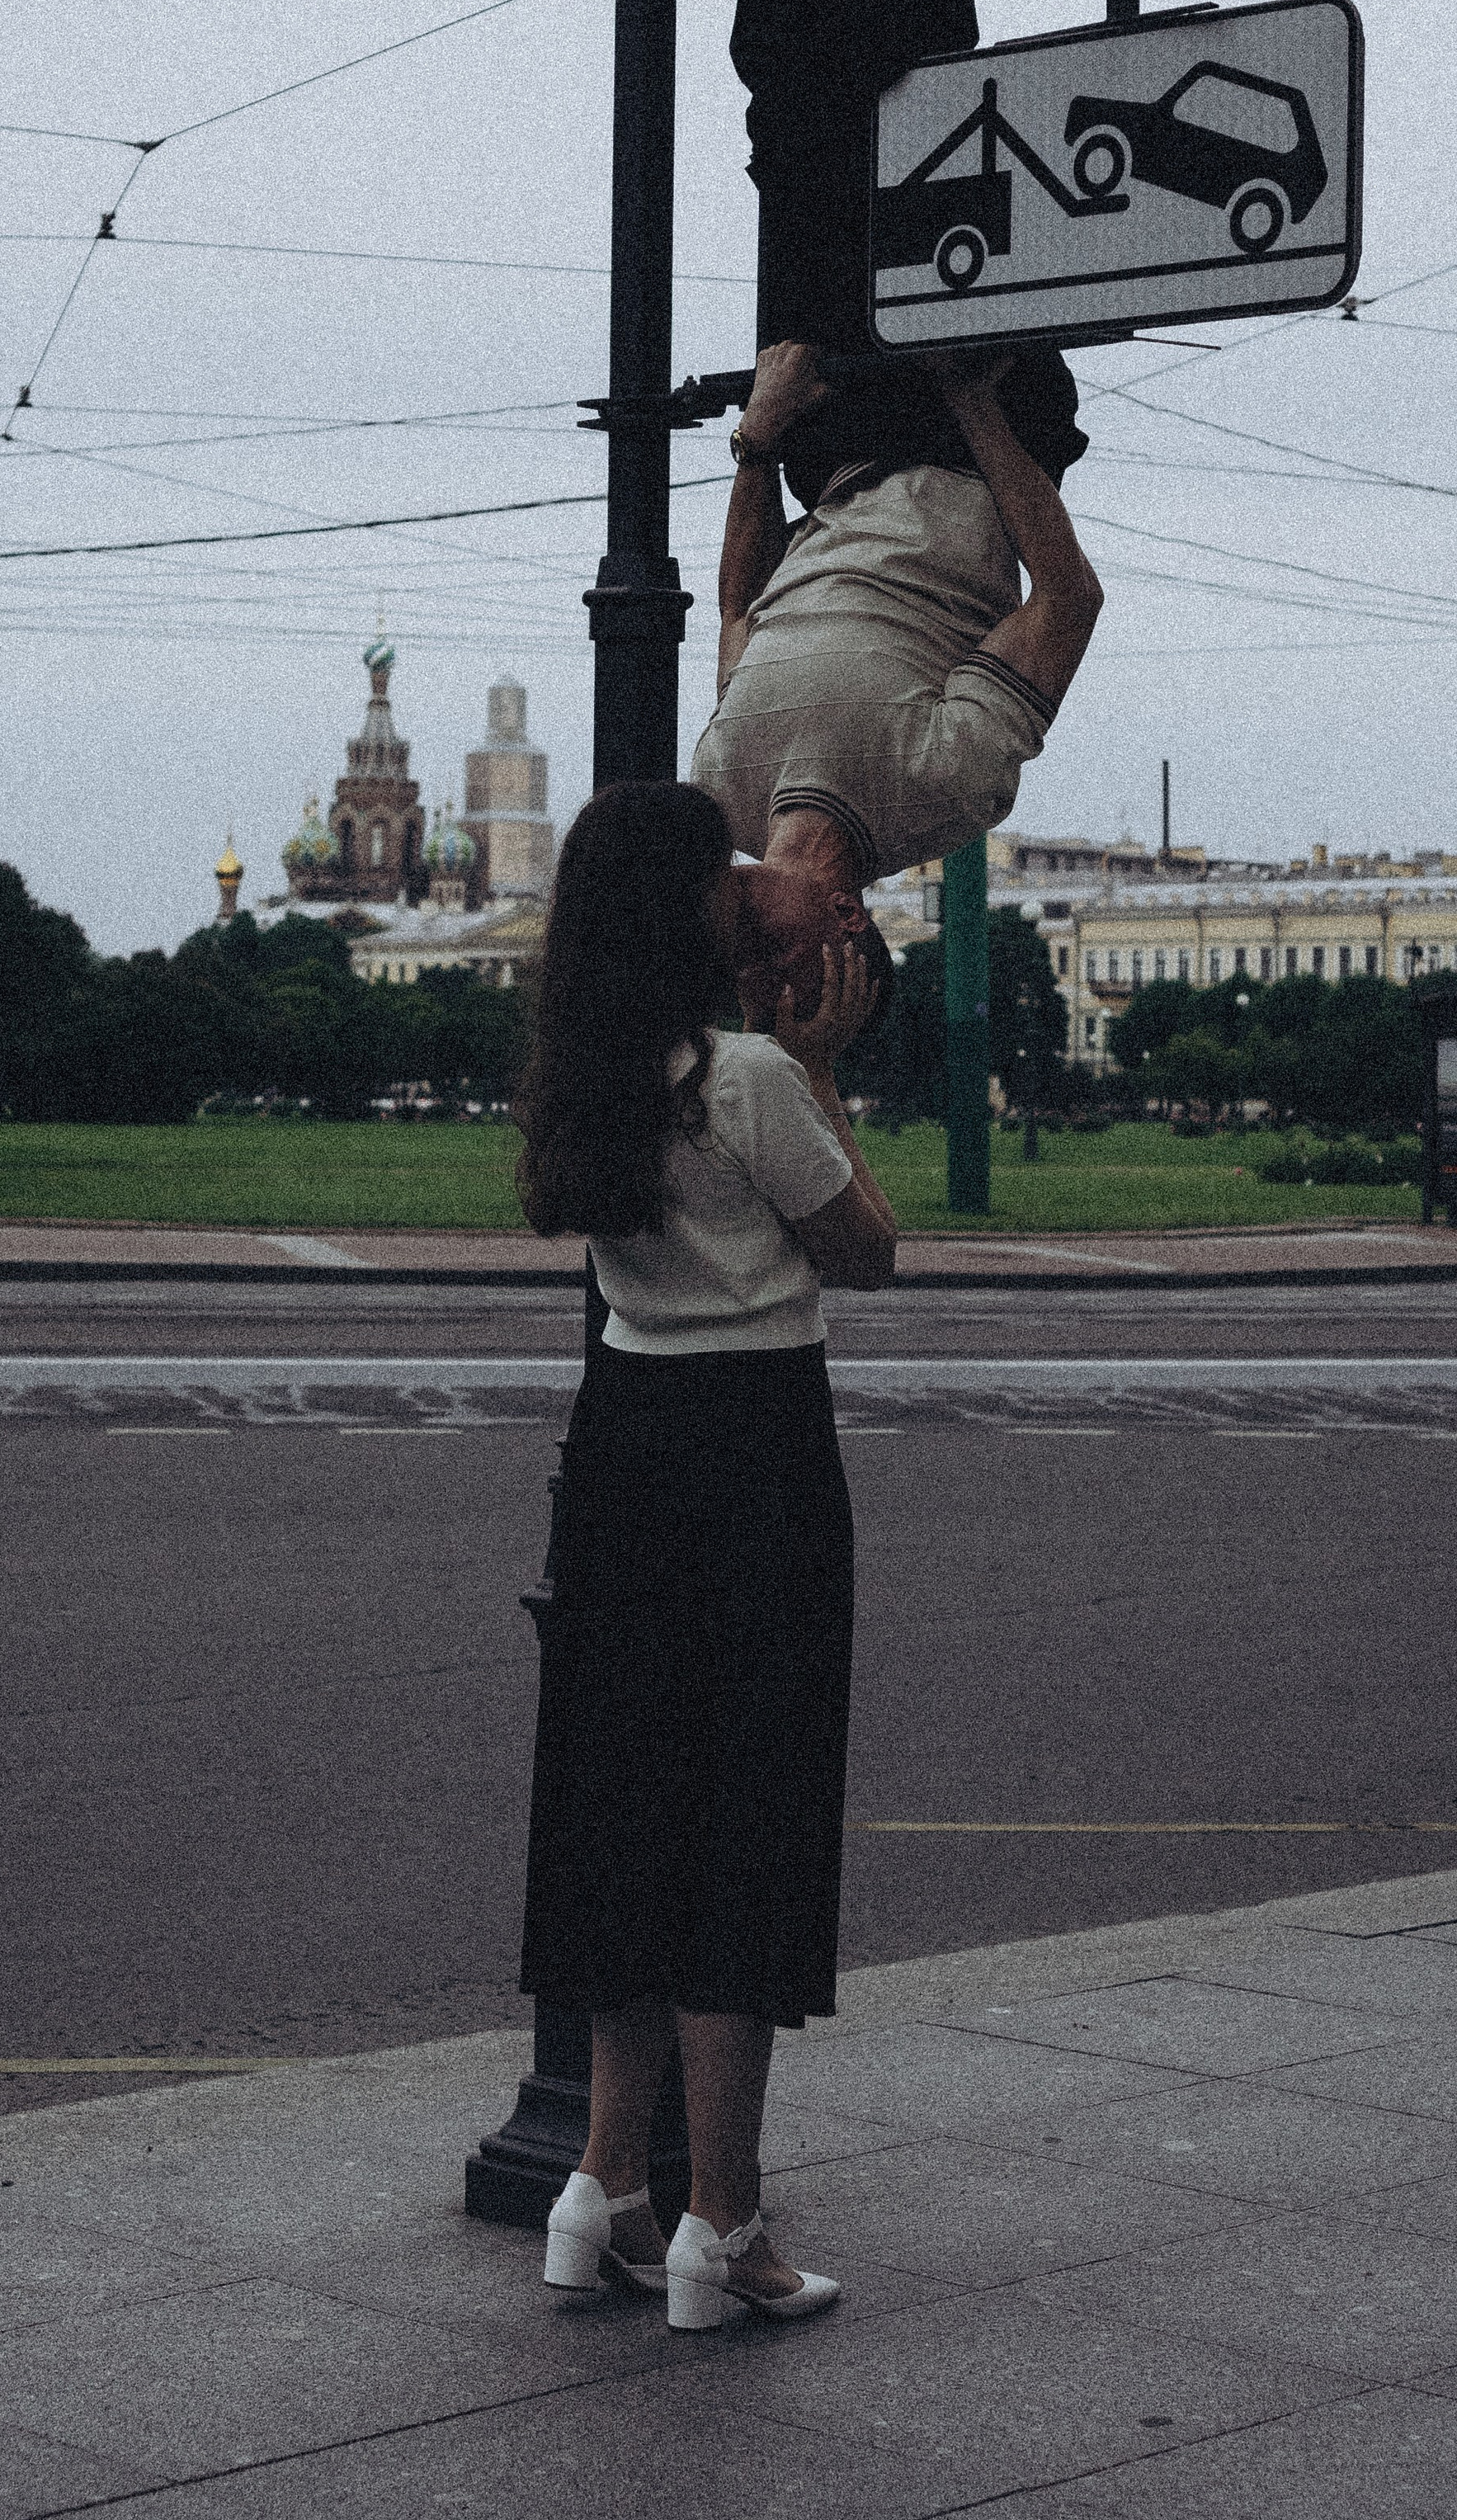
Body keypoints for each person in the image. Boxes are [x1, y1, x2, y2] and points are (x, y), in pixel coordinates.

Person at [629, 0, 1105, 923]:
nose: (747, 951)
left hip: (820, 443)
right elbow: (1066, 601)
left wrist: (752, 446)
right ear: (843, 931)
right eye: (782, 978)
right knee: (916, 67)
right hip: (962, 431)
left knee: (782, 82)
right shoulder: (935, 803)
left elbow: (738, 617)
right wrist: (975, 398)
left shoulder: (720, 798)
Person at [513, 779, 897, 2330]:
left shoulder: (586, 1081)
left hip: (623, 1449)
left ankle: (599, 2186)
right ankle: (721, 2222)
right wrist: (821, 1067)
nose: (751, 879)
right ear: (688, 908)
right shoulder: (746, 1079)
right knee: (750, 1816)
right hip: (757, 1449)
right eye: (726, 866)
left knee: (624, 1808)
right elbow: (870, 1250)